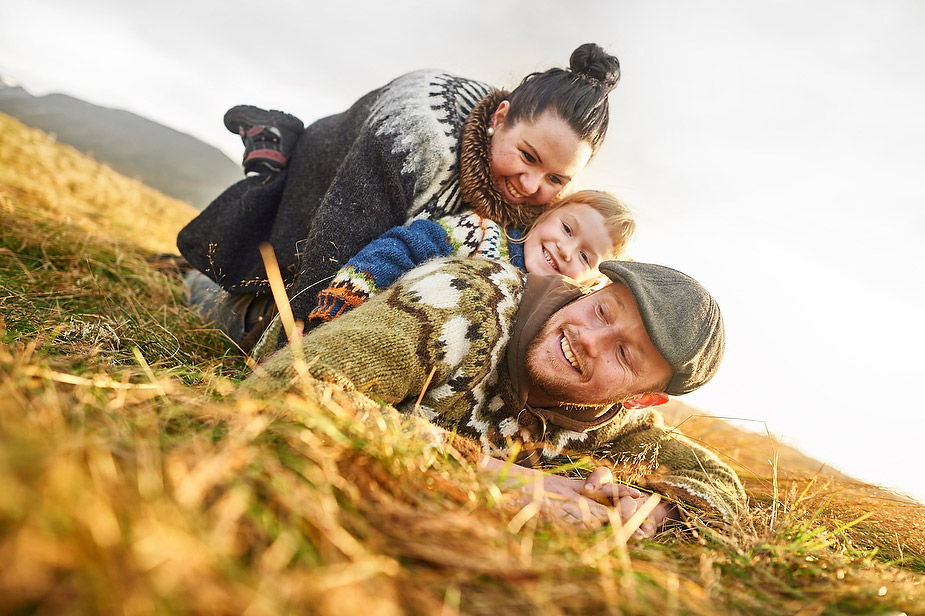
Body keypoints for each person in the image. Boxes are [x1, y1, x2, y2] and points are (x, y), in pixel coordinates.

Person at [242, 257, 746, 534]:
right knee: (217, 299)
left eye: (624, 355)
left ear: (641, 400)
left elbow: (722, 489)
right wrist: (497, 474)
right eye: (602, 312)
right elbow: (288, 383)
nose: (589, 339)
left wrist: (652, 512)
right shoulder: (463, 302)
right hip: (260, 320)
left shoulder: (615, 424)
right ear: (590, 290)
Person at [176, 43, 621, 350]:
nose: (530, 185)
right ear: (500, 117)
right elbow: (337, 241)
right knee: (248, 289)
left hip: (379, 227)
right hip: (322, 191)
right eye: (526, 156)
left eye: (556, 179)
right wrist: (293, 351)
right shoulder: (416, 135)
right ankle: (275, 151)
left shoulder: (549, 209)